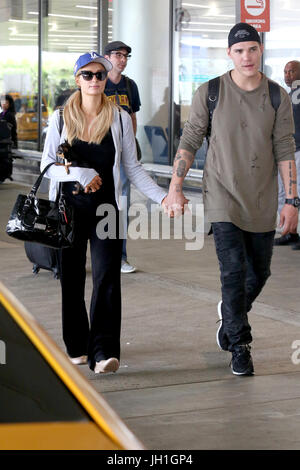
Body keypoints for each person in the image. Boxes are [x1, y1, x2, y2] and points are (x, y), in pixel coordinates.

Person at [163, 23, 298, 376]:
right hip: (222, 195)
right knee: (234, 270)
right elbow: (190, 140)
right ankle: (240, 344)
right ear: (229, 54)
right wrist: (175, 186)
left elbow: (285, 149)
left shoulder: (276, 96)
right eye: (239, 51)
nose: (247, 57)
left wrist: (292, 201)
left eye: (252, 49)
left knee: (261, 271)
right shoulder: (210, 92)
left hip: (263, 198)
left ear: (260, 51)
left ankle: (230, 314)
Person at [41, 52, 166, 374]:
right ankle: (77, 345)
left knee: (108, 278)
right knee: (71, 279)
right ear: (77, 79)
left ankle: (104, 352)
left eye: (99, 75)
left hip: (106, 208)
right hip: (68, 209)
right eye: (87, 75)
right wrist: (79, 174)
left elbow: (132, 168)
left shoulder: (119, 118)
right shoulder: (60, 118)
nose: (94, 80)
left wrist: (162, 197)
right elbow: (47, 167)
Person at [104, 41, 141, 274]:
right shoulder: (97, 81)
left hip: (123, 155)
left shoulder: (130, 85)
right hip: (100, 153)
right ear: (107, 57)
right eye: (118, 55)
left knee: (121, 205)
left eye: (126, 55)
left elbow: (133, 117)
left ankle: (120, 257)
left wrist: (130, 148)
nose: (123, 59)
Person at [274, 60, 300, 249]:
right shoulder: (288, 96)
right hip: (284, 152)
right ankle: (289, 231)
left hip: (298, 150)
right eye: (285, 72)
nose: (287, 75)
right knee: (283, 192)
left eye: (291, 71)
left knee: (296, 191)